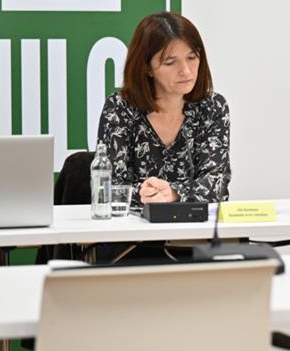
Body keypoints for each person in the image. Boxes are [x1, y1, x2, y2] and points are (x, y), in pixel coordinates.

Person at [98, 11, 230, 207]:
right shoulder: (120, 108)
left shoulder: (212, 107)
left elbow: (217, 183)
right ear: (147, 67)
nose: (185, 70)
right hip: (132, 231)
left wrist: (174, 193)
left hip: (194, 231)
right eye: (170, 62)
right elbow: (108, 186)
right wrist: (147, 194)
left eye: (192, 57)